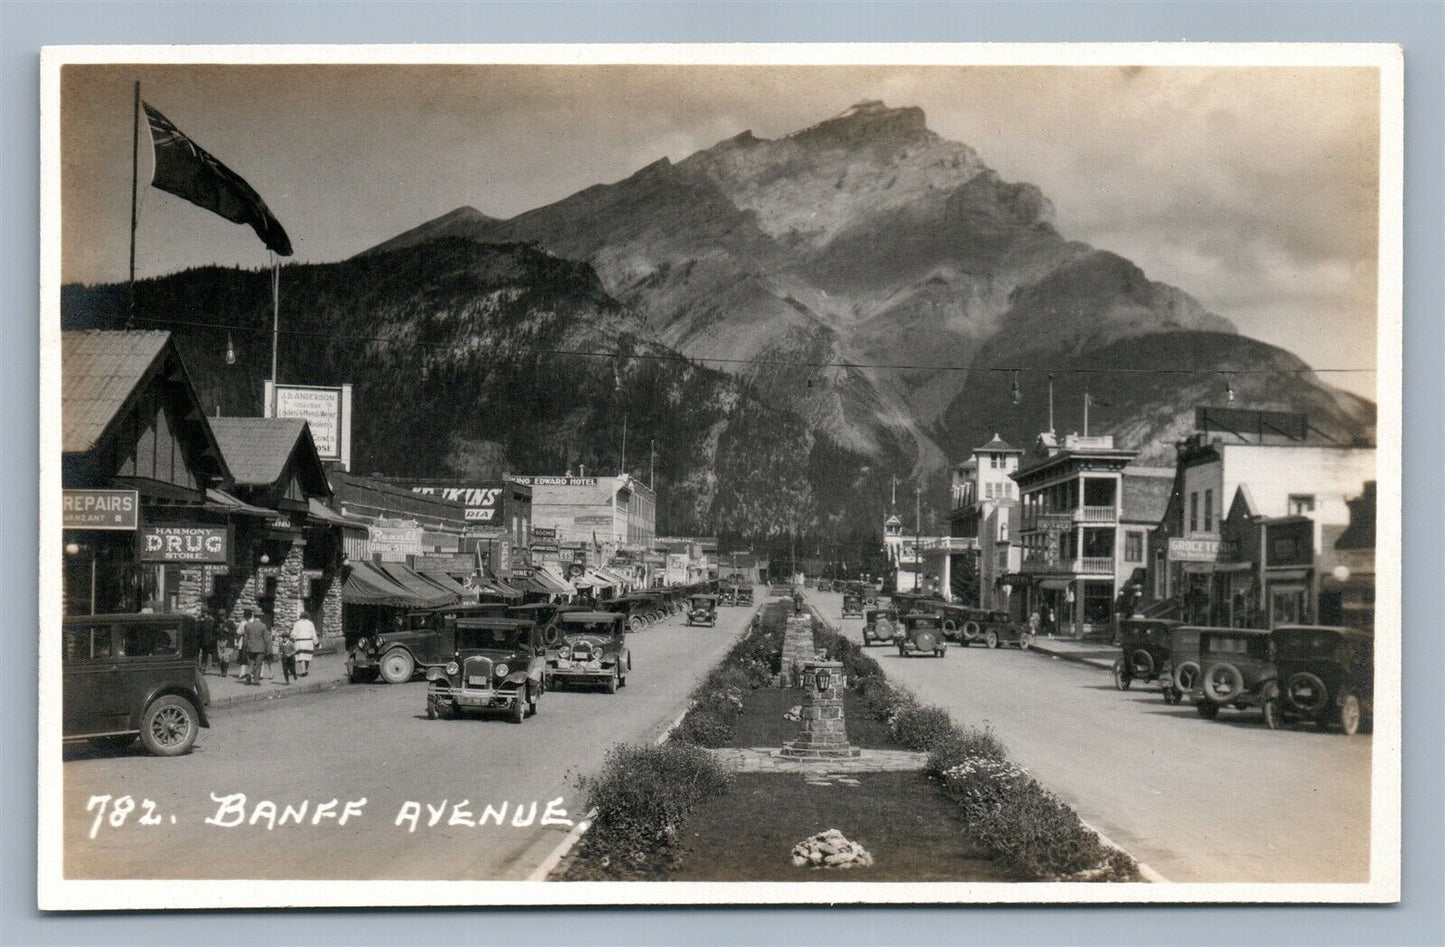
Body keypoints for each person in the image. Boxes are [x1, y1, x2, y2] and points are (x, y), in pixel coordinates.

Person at [239, 608, 270, 686]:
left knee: (251, 663)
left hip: (250, 647)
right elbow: (266, 639)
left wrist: (245, 647)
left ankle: (249, 675)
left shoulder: (248, 625)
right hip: (260, 648)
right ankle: (256, 680)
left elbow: (245, 638)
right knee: (258, 664)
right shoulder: (263, 626)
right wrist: (268, 649)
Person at [290, 611, 318, 677]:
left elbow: (294, 633)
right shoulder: (310, 623)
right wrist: (316, 642)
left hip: (300, 642)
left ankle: (303, 671)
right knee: (307, 656)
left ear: (300, 616)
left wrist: (292, 638)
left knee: (301, 657)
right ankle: (306, 670)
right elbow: (313, 633)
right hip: (308, 642)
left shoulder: (297, 623)